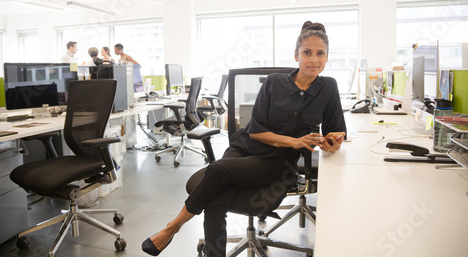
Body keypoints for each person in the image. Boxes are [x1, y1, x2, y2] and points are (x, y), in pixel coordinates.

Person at [141, 21, 347, 257]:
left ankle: (172, 227)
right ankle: (179, 232)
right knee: (217, 191)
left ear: (327, 57)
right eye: (307, 53)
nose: (313, 60)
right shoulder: (273, 82)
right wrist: (295, 141)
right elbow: (256, 132)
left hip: (278, 162)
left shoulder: (328, 87)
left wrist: (333, 143)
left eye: (320, 53)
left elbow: (336, 133)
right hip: (245, 147)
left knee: (217, 178)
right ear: (296, 55)